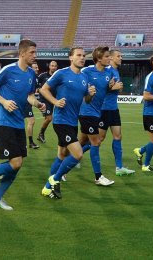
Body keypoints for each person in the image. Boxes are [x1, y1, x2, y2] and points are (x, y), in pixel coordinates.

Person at [0, 39, 45, 211]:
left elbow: (29, 96)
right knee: (15, 162)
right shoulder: (8, 70)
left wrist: (38, 104)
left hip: (18, 123)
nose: (35, 56)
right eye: (32, 53)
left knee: (18, 164)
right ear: (22, 53)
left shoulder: (31, 74)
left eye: (35, 52)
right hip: (4, 121)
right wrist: (3, 101)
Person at [38, 47, 94, 199]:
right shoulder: (61, 73)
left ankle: (47, 188)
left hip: (72, 122)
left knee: (62, 154)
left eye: (84, 56)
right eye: (78, 55)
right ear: (71, 58)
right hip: (61, 121)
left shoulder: (84, 78)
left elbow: (86, 100)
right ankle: (54, 179)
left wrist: (90, 95)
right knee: (78, 153)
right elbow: (43, 90)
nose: (82, 58)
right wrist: (55, 101)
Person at [77, 46, 115, 186]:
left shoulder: (108, 73)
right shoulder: (86, 71)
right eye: (106, 56)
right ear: (99, 58)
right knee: (96, 142)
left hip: (96, 112)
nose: (109, 58)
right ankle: (98, 176)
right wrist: (88, 93)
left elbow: (105, 89)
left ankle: (62, 169)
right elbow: (84, 95)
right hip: (86, 112)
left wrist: (110, 86)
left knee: (80, 144)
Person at [98, 49, 135, 176]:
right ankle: (76, 156)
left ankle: (119, 167)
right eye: (118, 56)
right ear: (112, 58)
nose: (121, 58)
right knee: (98, 139)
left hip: (114, 109)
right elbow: (100, 89)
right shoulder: (107, 71)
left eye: (121, 56)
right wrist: (114, 87)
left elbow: (112, 88)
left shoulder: (116, 71)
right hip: (104, 109)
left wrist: (116, 88)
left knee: (118, 136)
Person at [36, 60, 57, 143]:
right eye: (52, 65)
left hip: (52, 99)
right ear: (49, 66)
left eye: (55, 66)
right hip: (44, 99)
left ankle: (40, 135)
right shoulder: (43, 76)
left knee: (47, 118)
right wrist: (40, 91)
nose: (53, 67)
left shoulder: (57, 76)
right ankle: (41, 134)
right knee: (49, 118)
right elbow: (37, 85)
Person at [24, 63, 40, 150]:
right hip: (24, 102)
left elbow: (33, 93)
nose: (37, 69)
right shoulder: (26, 76)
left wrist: (37, 103)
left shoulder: (35, 78)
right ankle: (29, 142)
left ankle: (27, 142)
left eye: (37, 67)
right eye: (35, 67)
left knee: (30, 122)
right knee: (31, 121)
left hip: (29, 102)